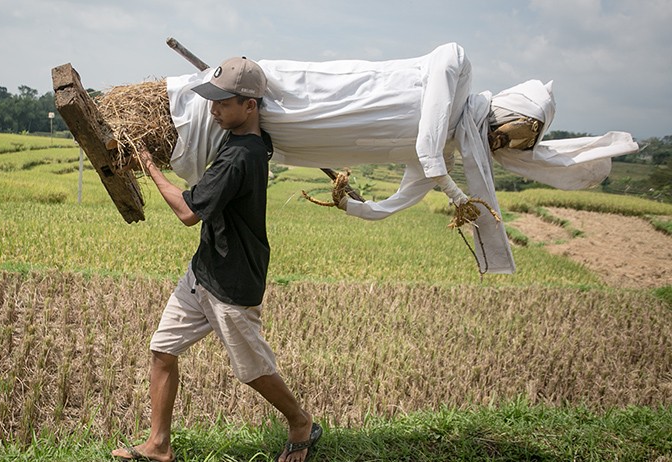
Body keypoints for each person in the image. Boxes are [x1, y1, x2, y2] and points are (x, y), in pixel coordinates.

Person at [165, 43, 638, 275]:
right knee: (207, 101)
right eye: (499, 133)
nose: (492, 144)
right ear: (498, 112)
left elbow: (388, 207)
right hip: (320, 94)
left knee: (219, 130)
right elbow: (431, 142)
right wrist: (451, 189)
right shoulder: (455, 68)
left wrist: (347, 202)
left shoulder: (437, 153)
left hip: (294, 137)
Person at [111, 57, 321, 462]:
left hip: (232, 281)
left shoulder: (241, 156)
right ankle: (158, 445)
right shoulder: (248, 139)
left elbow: (188, 213)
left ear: (250, 107)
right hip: (203, 269)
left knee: (254, 371)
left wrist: (151, 167)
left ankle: (301, 424)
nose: (212, 110)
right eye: (213, 102)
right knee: (161, 350)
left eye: (223, 103)